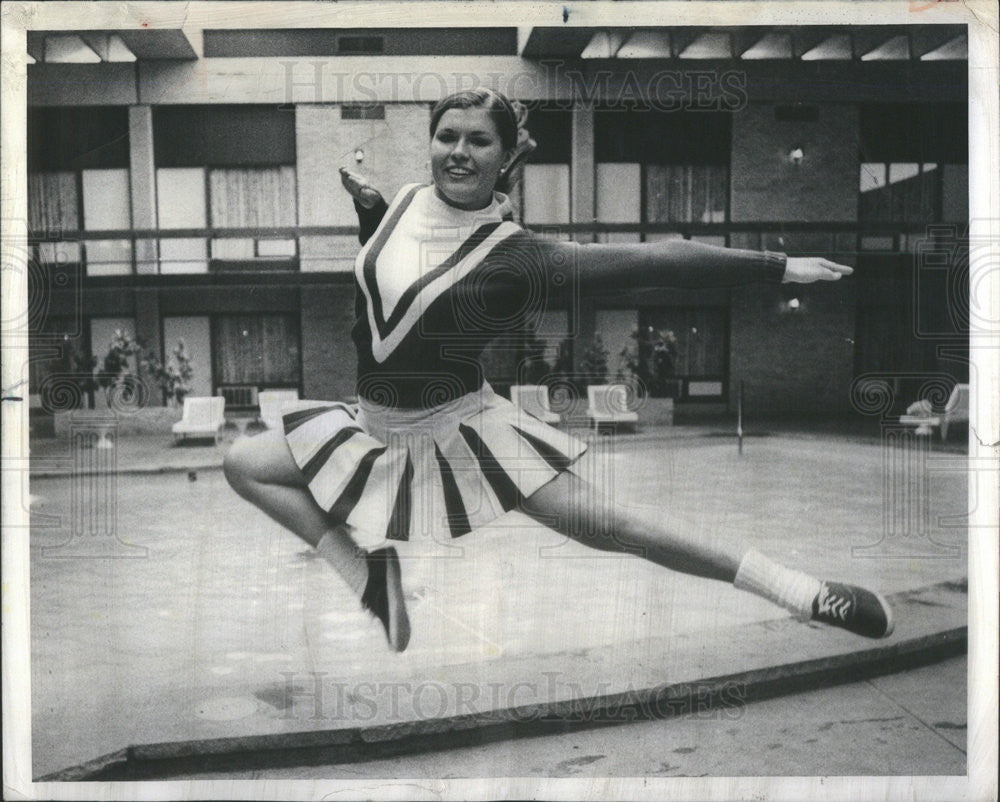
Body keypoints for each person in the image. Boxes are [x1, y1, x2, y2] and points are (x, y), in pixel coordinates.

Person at [224, 88, 894, 653]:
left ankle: (806, 593)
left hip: (461, 429)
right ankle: (373, 581)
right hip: (372, 420)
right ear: (429, 142)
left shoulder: (520, 258)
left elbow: (657, 258)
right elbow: (391, 265)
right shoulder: (397, 201)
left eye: (479, 142)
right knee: (244, 464)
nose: (459, 151)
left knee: (615, 525)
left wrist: (775, 268)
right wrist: (365, 205)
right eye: (447, 136)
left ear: (503, 158)